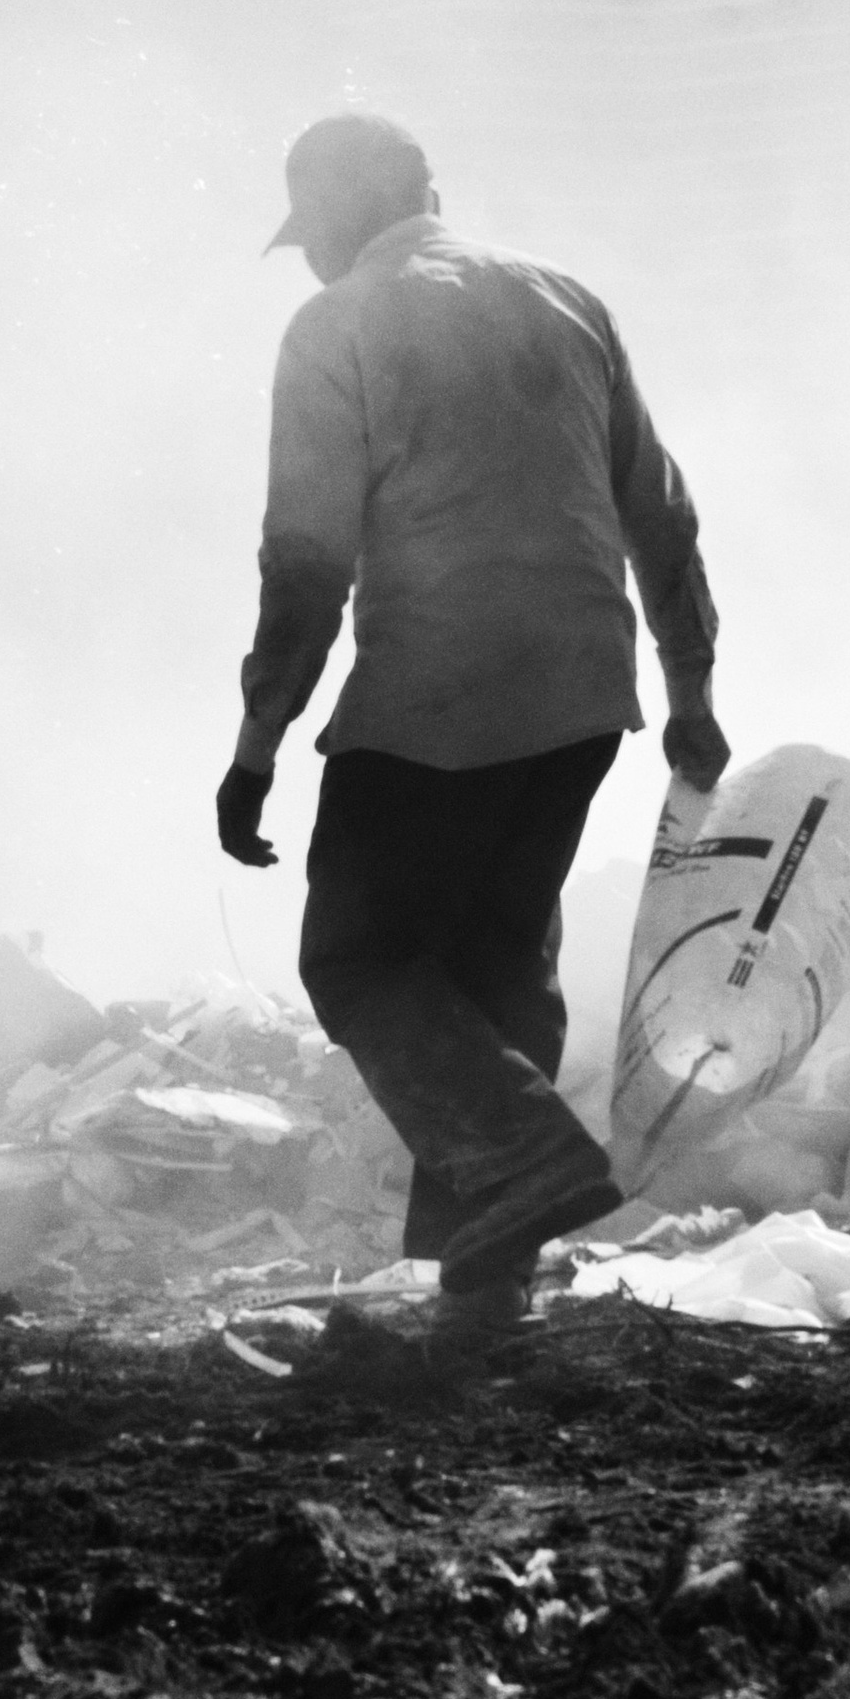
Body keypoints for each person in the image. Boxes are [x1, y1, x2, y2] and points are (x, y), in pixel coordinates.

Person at [217, 112, 728, 1311]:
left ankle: (524, 1157)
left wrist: (255, 750)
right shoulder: (562, 299)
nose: (303, 258)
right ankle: (476, 1292)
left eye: (308, 232)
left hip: (433, 693)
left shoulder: (335, 325)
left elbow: (303, 567)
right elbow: (661, 511)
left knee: (356, 954)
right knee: (494, 967)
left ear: (343, 212)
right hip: (584, 693)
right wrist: (692, 689)